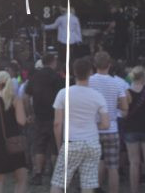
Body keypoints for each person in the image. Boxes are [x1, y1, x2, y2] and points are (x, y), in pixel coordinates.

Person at [50, 58, 110, 193]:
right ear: (90, 72)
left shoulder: (63, 93)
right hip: (92, 143)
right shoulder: (97, 96)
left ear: (74, 73)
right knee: (88, 184)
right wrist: (92, 126)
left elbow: (57, 123)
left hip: (71, 142)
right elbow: (106, 124)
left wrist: (59, 144)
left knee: (59, 181)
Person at [89, 52, 128, 193]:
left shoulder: (89, 81)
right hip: (111, 129)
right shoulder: (117, 83)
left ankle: (96, 188)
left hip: (93, 129)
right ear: (109, 65)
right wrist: (115, 108)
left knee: (94, 163)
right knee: (113, 167)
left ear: (94, 65)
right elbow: (124, 108)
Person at [23, 53, 64, 187]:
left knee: (39, 146)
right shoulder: (57, 77)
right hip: (54, 115)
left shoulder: (34, 76)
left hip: (39, 116)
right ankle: (54, 174)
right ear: (53, 62)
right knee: (54, 147)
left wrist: (29, 112)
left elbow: (25, 97)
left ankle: (38, 174)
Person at [124, 66, 145, 193]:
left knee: (134, 163)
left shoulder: (127, 92)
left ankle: (134, 190)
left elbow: (125, 113)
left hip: (131, 129)